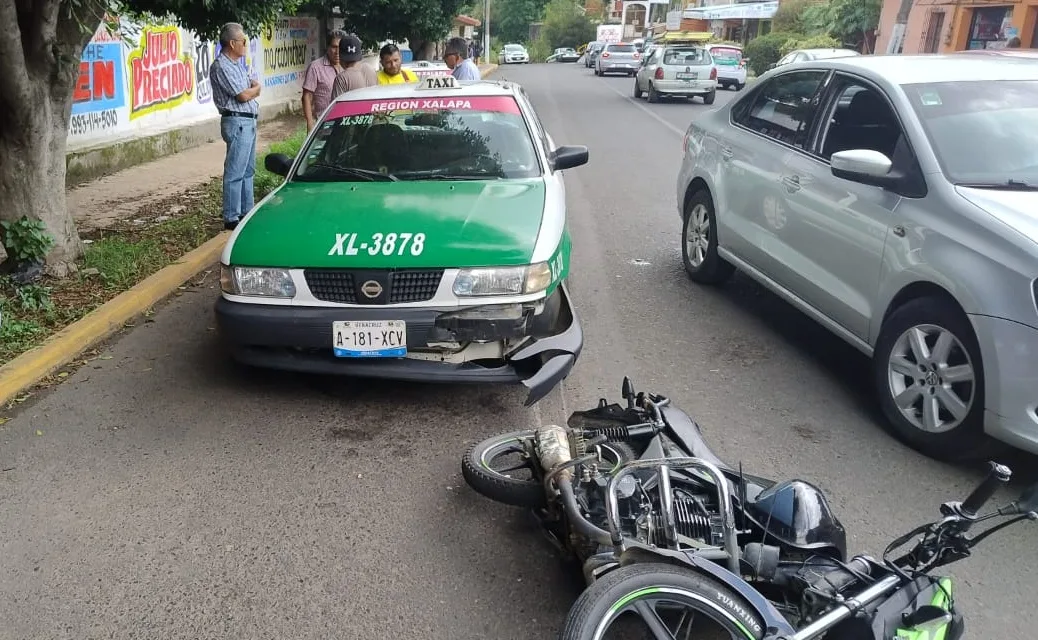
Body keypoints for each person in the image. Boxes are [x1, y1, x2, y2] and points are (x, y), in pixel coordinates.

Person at [210, 22, 261, 231]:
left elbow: (253, 85)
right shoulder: (221, 65)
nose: (246, 45)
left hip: (248, 120)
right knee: (235, 170)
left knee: (248, 170)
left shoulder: (237, 65)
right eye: (243, 41)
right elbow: (243, 94)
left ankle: (246, 211)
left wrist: (254, 89)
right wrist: (255, 90)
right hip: (237, 120)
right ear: (232, 43)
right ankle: (231, 216)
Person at [302, 30, 346, 131]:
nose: (337, 52)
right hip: (324, 124)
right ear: (327, 47)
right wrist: (310, 124)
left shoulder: (348, 66)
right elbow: (307, 96)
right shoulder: (316, 67)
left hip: (345, 122)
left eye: (340, 48)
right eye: (334, 47)